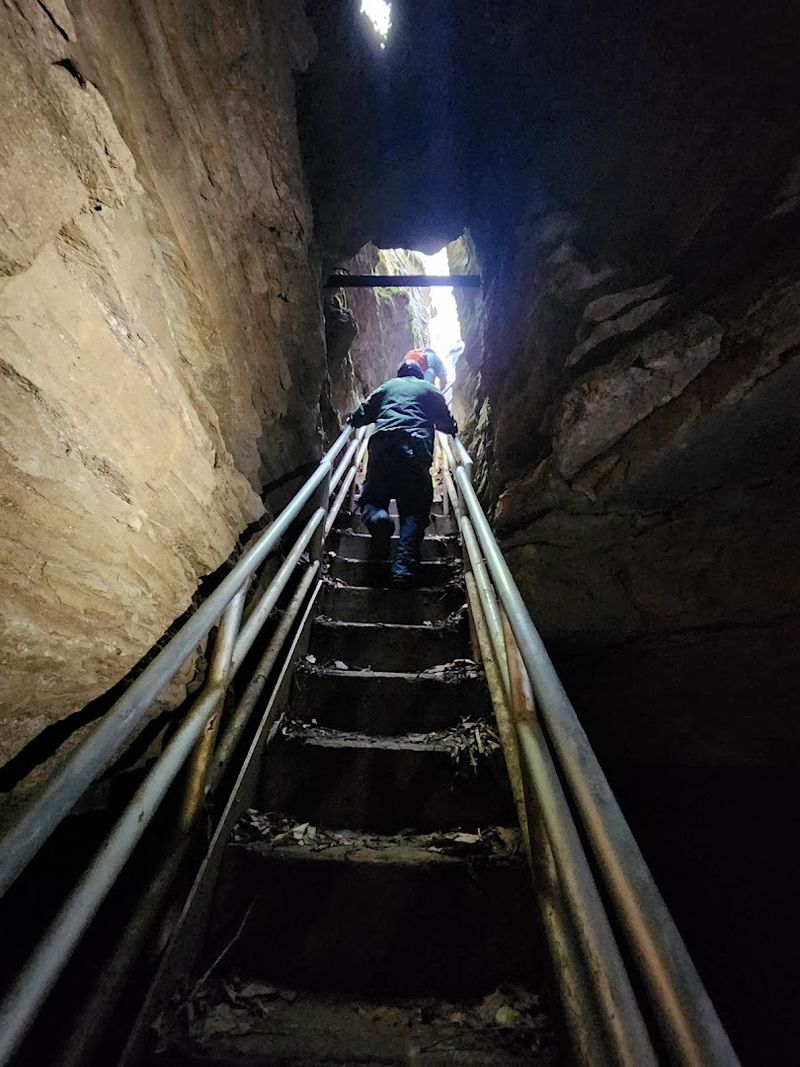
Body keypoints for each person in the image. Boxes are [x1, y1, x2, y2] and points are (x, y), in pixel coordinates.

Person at [348, 362, 458, 583]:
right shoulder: (429, 389)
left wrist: (353, 419)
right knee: (415, 512)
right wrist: (451, 428)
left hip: (383, 448)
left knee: (372, 498)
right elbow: (446, 423)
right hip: (415, 450)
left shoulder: (387, 387)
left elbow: (361, 415)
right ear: (419, 374)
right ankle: (403, 569)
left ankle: (379, 518)